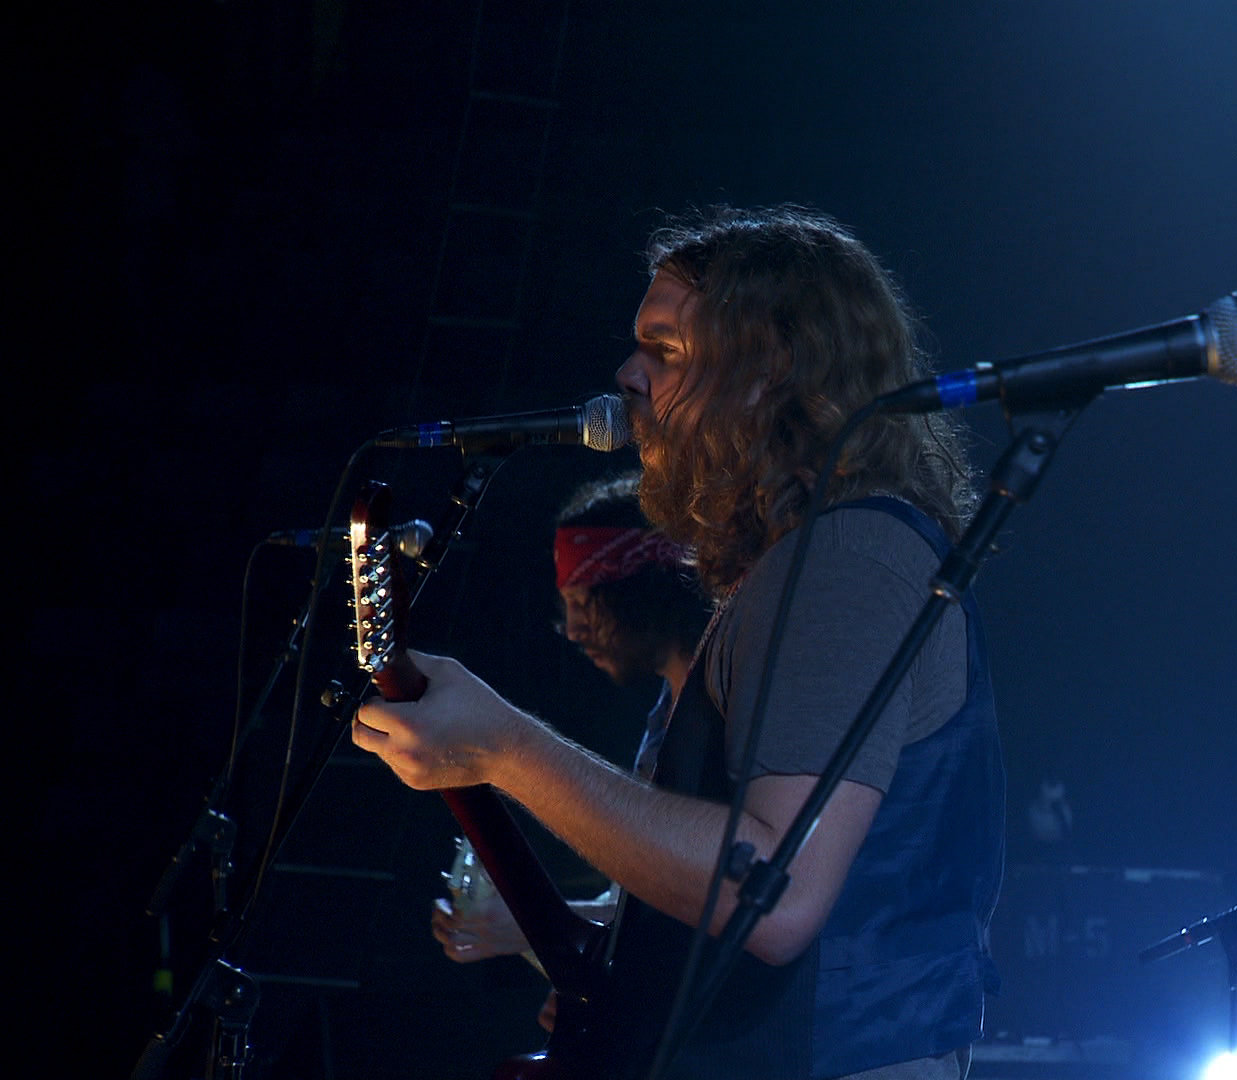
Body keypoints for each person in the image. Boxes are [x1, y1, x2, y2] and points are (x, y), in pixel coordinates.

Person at [356, 204, 1004, 1080]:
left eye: (665, 350)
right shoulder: (802, 561)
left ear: (769, 371)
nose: (626, 374)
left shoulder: (849, 557)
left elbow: (770, 898)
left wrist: (504, 747)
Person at [428, 471, 708, 977]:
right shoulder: (664, 713)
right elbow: (640, 898)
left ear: (639, 586)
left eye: (584, 602)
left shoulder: (720, 706)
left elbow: (701, 898)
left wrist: (539, 922)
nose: (574, 630)